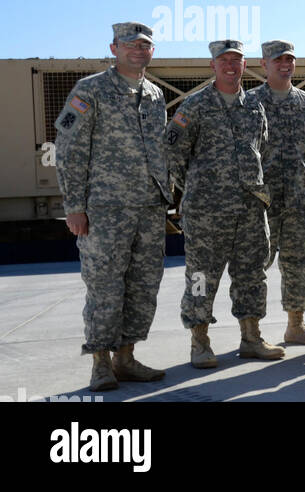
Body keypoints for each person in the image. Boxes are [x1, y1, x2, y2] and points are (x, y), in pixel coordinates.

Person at [55, 21, 172, 391]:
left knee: (143, 285)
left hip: (149, 208)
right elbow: (69, 151)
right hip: (105, 209)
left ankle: (127, 358)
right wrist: (75, 205)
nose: (139, 50)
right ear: (114, 48)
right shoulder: (90, 90)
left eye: (146, 45)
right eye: (131, 45)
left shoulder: (154, 94)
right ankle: (101, 364)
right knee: (105, 286)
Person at [168, 39, 283, 368]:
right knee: (202, 276)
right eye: (224, 60)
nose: (231, 65)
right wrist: (197, 188)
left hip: (249, 208)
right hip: (207, 212)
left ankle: (251, 337)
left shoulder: (254, 106)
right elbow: (173, 152)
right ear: (213, 65)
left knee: (252, 274)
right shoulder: (195, 105)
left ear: (245, 65)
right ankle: (200, 341)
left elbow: (258, 149)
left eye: (237, 60)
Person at [245, 39, 305, 346]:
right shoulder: (248, 104)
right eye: (277, 60)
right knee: (254, 264)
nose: (284, 64)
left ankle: (296, 324)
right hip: (260, 200)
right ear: (263, 65)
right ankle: (251, 331)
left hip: (298, 197)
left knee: (299, 261)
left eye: (289, 59)